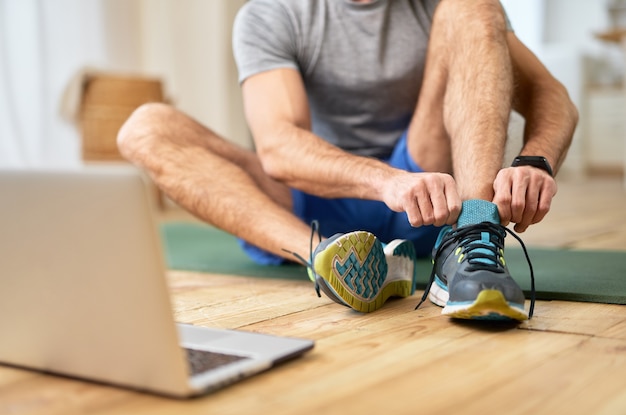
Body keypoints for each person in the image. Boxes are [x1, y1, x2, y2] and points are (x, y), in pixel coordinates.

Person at [117, 0, 578, 321]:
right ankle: (327, 261)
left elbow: (553, 98)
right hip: (320, 200)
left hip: (430, 193)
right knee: (145, 128)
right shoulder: (271, 13)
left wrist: (536, 161)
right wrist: (384, 181)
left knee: (472, 4)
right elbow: (277, 146)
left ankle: (474, 240)